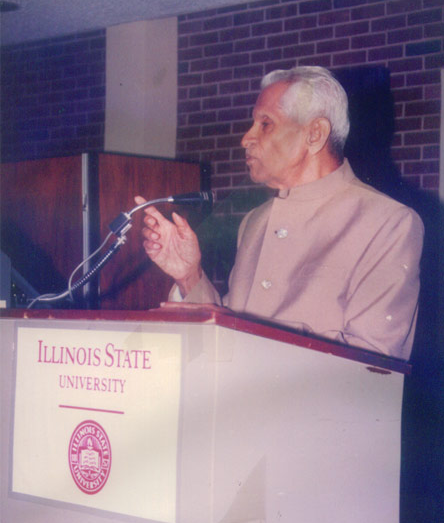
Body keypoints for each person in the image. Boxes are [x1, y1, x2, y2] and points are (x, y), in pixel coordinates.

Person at [136, 66, 424, 360]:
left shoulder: (387, 222)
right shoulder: (255, 221)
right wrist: (190, 276)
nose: (246, 138)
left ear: (315, 134)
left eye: (265, 124)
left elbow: (373, 361)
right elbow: (229, 330)